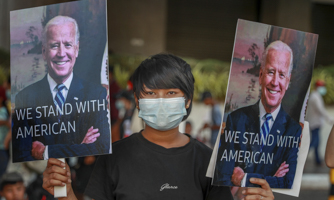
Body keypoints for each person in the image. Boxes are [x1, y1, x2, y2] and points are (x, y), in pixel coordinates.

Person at [42, 53, 274, 200]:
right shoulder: (114, 157)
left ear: (188, 100)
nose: (161, 101)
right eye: (151, 94)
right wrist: (64, 193)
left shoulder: (207, 161)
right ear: (138, 100)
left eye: (171, 93)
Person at [12, 15, 110, 162]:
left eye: (68, 45)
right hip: (44, 179)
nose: (61, 53)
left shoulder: (95, 94)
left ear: (76, 49)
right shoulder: (25, 97)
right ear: (44, 52)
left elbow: (102, 146)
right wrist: (80, 146)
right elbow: (21, 152)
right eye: (54, 45)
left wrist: (47, 151)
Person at [215, 40, 302, 189]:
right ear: (261, 75)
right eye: (270, 72)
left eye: (281, 75)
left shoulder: (293, 130)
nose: (275, 82)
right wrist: (271, 179)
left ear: (287, 82)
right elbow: (222, 176)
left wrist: (244, 179)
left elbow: (288, 182)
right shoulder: (235, 120)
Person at [307, 80, 334, 166]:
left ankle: (318, 160)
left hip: (316, 123)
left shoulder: (316, 96)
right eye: (321, 86)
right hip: (314, 123)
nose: (323, 88)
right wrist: (330, 119)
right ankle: (301, 158)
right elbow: (321, 110)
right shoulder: (315, 97)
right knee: (314, 142)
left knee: (317, 142)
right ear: (317, 87)